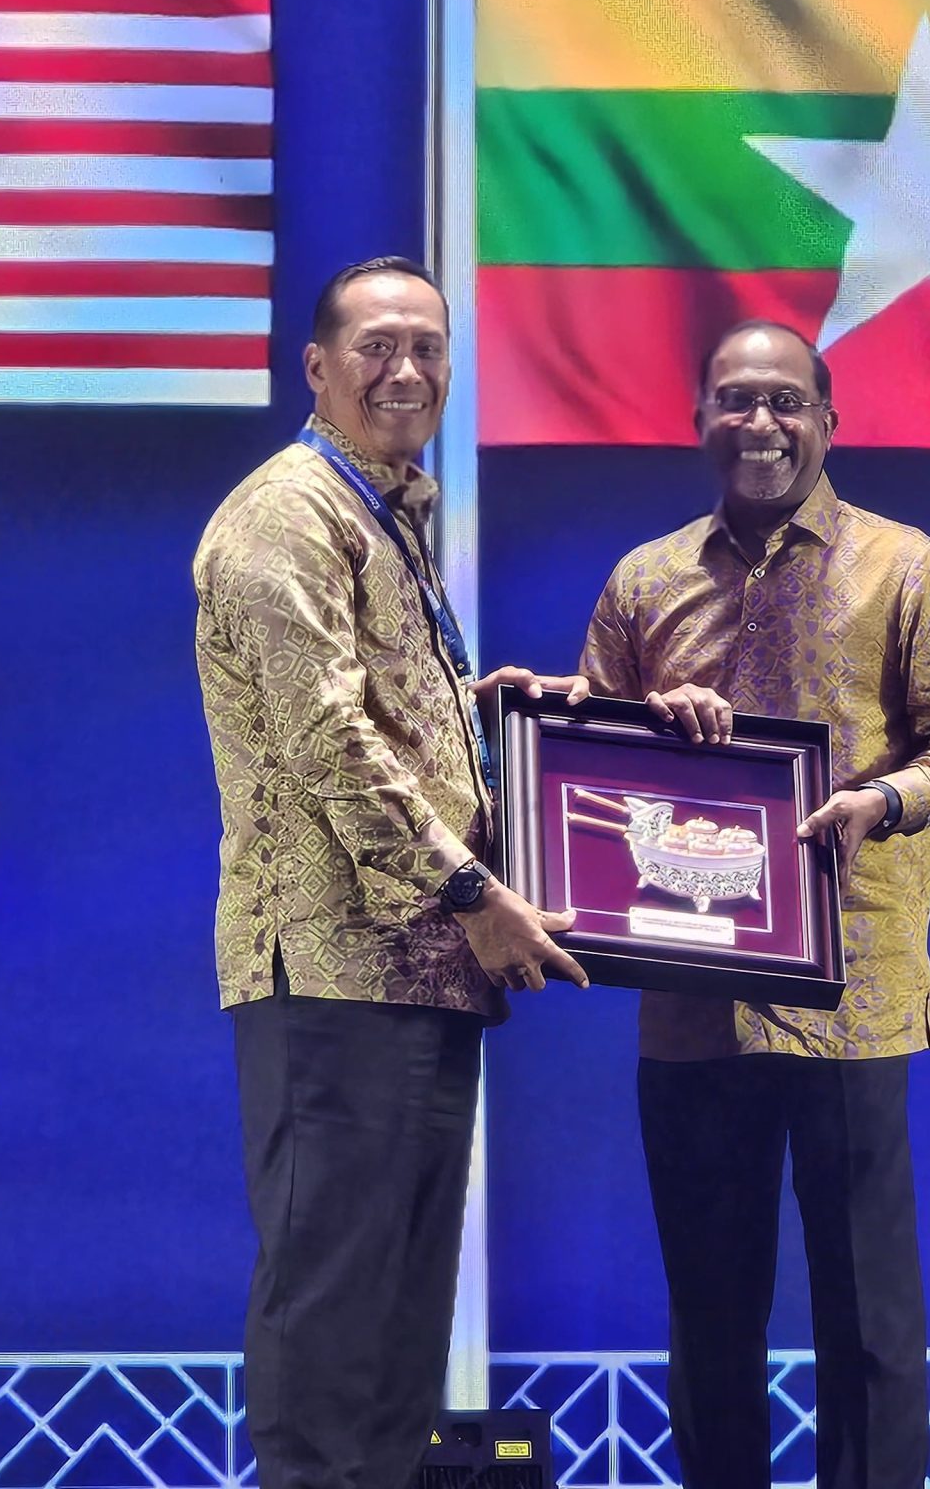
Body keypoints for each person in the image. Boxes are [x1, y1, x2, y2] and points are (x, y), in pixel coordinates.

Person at [579, 320, 930, 1489]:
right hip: (691, 1005)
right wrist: (628, 730)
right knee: (710, 1321)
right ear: (698, 420)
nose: (759, 423)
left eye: (784, 402)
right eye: (735, 399)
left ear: (828, 421)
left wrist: (885, 799)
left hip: (852, 998)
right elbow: (590, 784)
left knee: (870, 1325)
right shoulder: (642, 582)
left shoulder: (906, 567)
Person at [193, 255, 589, 1489]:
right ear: (317, 367)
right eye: (376, 345)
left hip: (420, 977)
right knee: (331, 1315)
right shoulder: (286, 514)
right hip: (330, 972)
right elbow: (323, 738)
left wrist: (495, 727)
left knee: (399, 1334)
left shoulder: (384, 513)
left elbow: (381, 719)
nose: (405, 369)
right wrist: (472, 893)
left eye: (427, 346)